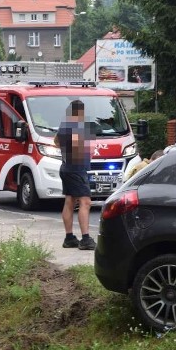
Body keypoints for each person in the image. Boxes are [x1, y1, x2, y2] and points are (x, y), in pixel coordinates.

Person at [55, 99, 96, 250]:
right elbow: (88, 147)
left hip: (66, 167)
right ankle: (85, 239)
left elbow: (56, 142)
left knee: (70, 201)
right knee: (85, 202)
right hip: (77, 168)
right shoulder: (79, 126)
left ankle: (69, 237)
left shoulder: (63, 126)